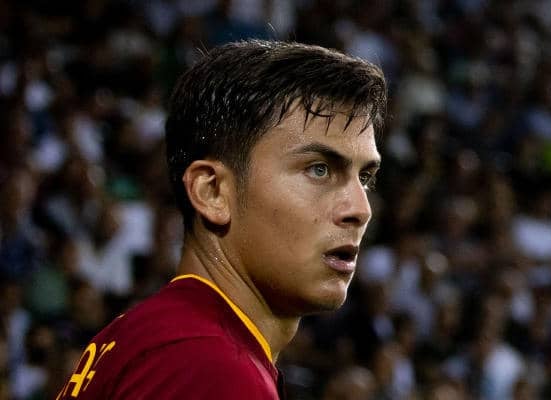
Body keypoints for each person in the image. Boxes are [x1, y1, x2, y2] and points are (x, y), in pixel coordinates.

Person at [56, 39, 387, 399]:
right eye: (319, 169)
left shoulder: (149, 338)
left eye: (365, 178)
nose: (361, 209)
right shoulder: (211, 367)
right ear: (212, 191)